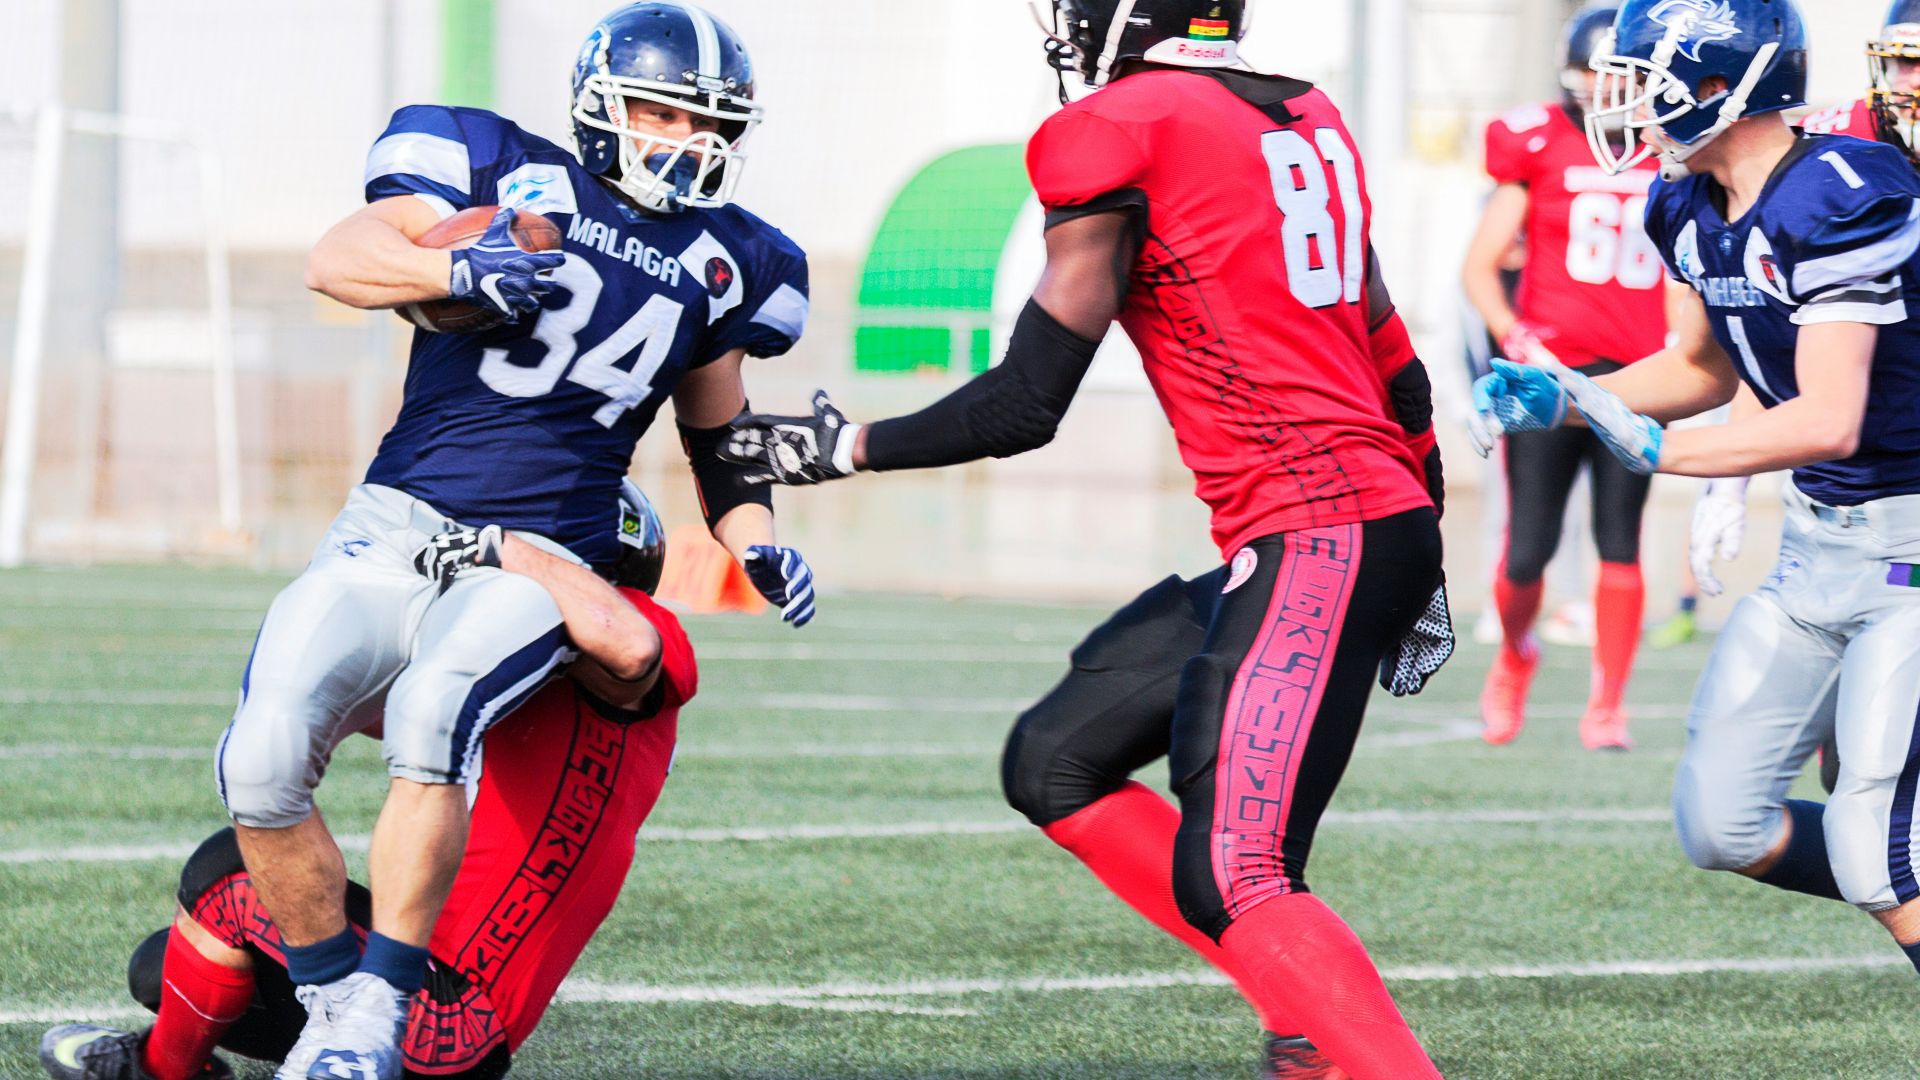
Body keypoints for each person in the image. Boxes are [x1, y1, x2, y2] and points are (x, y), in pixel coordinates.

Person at [720, 3, 1453, 1076]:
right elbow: (1394, 357)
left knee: (1238, 871)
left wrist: (838, 448)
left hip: (1318, 527)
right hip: (1361, 517)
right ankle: (1307, 1022)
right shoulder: (1305, 112)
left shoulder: (1115, 127)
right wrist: (1424, 537)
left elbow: (1026, 403)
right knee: (1058, 760)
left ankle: (1372, 1059)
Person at [210, 5, 813, 1077]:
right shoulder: (499, 165)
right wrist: (459, 272)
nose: (682, 139)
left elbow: (717, 433)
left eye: (706, 123)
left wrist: (756, 536)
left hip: (549, 543)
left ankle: (380, 1019)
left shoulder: (737, 258)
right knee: (258, 760)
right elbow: (337, 256)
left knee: (440, 712)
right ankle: (336, 1003)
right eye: (661, 110)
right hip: (395, 520)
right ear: (599, 101)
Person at [1473, 0, 1920, 979]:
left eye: (1644, 79)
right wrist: (1566, 399)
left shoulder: (1841, 190)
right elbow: (1699, 368)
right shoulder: (1684, 205)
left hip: (1908, 545)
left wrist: (1655, 450)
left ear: (1721, 86)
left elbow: (1827, 419)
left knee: (1877, 850)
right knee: (1722, 820)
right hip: (1818, 544)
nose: (1619, 101)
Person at [40, 485, 693, 1080]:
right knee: (169, 965)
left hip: (446, 1019)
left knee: (228, 876)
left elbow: (626, 646)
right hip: (430, 1002)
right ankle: (188, 1061)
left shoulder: (640, 632)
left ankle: (158, 1073)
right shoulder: (544, 667)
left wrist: (508, 550)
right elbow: (381, 704)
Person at [1460, 4, 1668, 750]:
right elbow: (1480, 266)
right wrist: (1516, 336)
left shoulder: (1672, 148)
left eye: (1625, 75)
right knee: (1527, 549)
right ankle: (1515, 659)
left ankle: (1608, 702)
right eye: (1599, 72)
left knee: (1621, 539)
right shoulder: (1538, 140)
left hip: (1640, 377)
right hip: (1549, 376)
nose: (1610, 89)